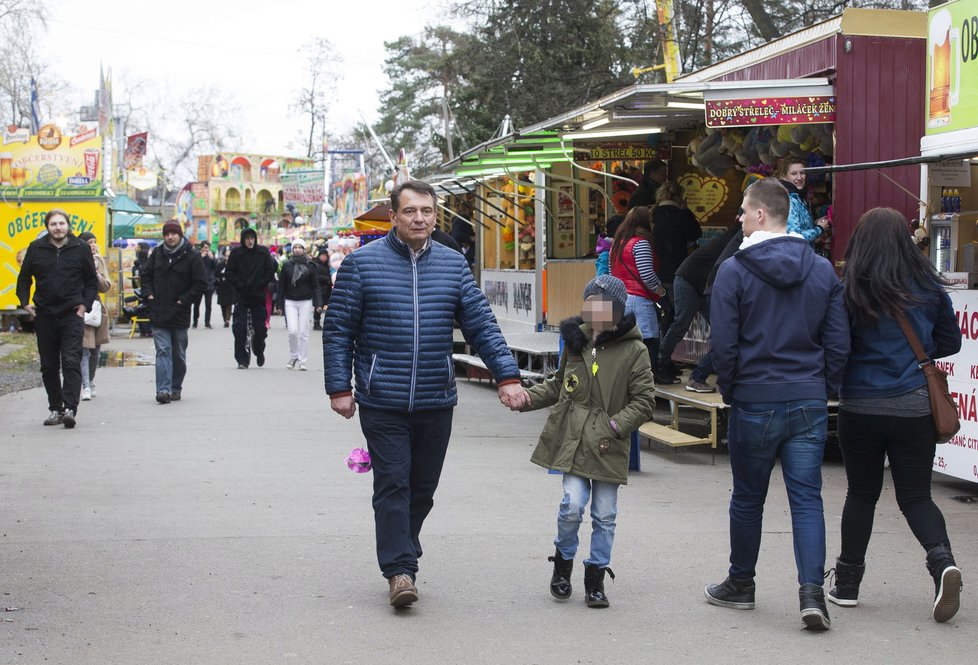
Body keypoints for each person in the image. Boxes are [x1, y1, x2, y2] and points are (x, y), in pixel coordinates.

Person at [323, 180, 526, 609]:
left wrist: (507, 377)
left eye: (427, 211)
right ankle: (400, 570)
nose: (420, 218)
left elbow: (481, 326)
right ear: (393, 216)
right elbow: (339, 331)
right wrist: (340, 387)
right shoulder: (362, 265)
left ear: (436, 216)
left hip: (436, 398)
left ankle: (403, 549)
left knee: (422, 489)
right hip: (382, 399)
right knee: (392, 483)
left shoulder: (453, 266)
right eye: (411, 211)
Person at [704, 177, 850, 631]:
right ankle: (811, 595)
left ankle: (741, 584)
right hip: (807, 397)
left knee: (748, 499)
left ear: (762, 214)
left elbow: (724, 343)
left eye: (745, 211)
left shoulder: (733, 270)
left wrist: (731, 389)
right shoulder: (822, 269)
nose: (740, 218)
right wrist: (824, 385)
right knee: (807, 500)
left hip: (754, 397)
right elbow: (839, 339)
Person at [829, 207, 963, 622]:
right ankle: (943, 565)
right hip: (913, 407)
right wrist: (913, 357)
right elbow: (951, 341)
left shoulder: (848, 289)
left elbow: (837, 346)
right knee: (916, 496)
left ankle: (847, 585)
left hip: (860, 407)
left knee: (861, 494)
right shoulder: (927, 286)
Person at [517, 275, 655, 608]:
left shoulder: (635, 350)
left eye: (604, 306)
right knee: (572, 505)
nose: (596, 312)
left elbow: (645, 400)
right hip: (575, 442)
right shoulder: (576, 344)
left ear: (618, 311)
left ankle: (595, 579)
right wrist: (525, 399)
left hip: (608, 444)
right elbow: (557, 385)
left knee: (605, 515)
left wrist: (615, 426)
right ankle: (562, 567)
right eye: (591, 304)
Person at [16, 209, 98, 428]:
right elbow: (23, 279)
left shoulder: (80, 248)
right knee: (48, 366)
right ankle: (55, 408)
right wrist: (25, 303)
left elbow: (92, 281)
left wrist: (84, 305)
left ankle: (70, 408)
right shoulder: (36, 248)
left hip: (72, 314)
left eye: (61, 223)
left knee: (71, 360)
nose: (58, 227)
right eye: (53, 224)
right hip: (44, 314)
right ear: (47, 227)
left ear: (68, 225)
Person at [140, 220, 206, 404]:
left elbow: (200, 283)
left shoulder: (192, 256)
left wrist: (183, 300)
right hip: (159, 310)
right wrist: (149, 295)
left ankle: (175, 387)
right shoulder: (157, 254)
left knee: (178, 353)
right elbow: (146, 275)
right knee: (163, 350)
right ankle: (163, 390)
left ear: (180, 234)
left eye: (173, 234)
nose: (169, 237)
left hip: (179, 311)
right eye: (166, 234)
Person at [609, 206, 672, 385]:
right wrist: (661, 291)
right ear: (644, 222)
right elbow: (647, 275)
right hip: (639, 300)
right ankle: (647, 378)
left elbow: (611, 272)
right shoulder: (640, 243)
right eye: (651, 220)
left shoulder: (617, 243)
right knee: (649, 340)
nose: (653, 223)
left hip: (621, 300)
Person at [684, 222, 743, 393]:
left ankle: (705, 376)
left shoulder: (738, 237)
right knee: (727, 338)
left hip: (716, 288)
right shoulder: (744, 237)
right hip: (718, 289)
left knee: (728, 337)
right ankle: (698, 376)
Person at [651, 181, 702, 364]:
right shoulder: (682, 215)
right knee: (677, 318)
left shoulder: (652, 215)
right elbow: (697, 233)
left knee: (664, 316)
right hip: (678, 270)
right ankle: (665, 357)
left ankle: (662, 356)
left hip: (656, 272)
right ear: (678, 196)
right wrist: (686, 210)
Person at [226, 227, 276, 368]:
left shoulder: (263, 253)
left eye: (252, 238)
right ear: (243, 240)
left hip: (258, 295)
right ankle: (242, 359)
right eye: (247, 238)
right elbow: (229, 272)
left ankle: (259, 350)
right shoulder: (236, 253)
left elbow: (270, 271)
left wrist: (260, 283)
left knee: (260, 330)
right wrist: (239, 284)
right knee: (239, 328)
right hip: (242, 295)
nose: (250, 241)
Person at [77, 232, 112, 401]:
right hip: (82, 308)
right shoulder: (76, 261)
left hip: (97, 310)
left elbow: (105, 287)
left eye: (94, 241)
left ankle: (90, 380)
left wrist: (97, 274)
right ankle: (85, 386)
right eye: (89, 242)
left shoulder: (99, 261)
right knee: (84, 350)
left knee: (96, 350)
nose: (92, 245)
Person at [277, 239, 322, 371]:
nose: (297, 249)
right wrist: (279, 305)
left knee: (303, 332)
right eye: (295, 247)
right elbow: (281, 286)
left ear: (304, 249)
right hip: (290, 301)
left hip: (306, 301)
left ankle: (302, 360)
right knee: (292, 331)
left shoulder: (310, 266)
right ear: (292, 250)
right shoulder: (286, 265)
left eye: (300, 247)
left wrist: (318, 303)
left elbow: (316, 286)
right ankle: (293, 356)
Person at [775, 158, 829, 244]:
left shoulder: (798, 196)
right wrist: (819, 228)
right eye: (794, 173)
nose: (799, 177)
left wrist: (814, 224)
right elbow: (795, 238)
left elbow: (798, 226)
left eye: (802, 173)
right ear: (784, 176)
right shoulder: (787, 200)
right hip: (795, 256)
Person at [192, 242, 217, 329]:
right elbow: (194, 267)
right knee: (196, 304)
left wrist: (212, 259)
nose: (206, 249)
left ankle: (207, 322)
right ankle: (195, 321)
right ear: (201, 248)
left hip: (209, 283)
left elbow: (216, 267)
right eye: (205, 248)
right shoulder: (197, 255)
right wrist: (201, 258)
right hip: (199, 283)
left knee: (208, 305)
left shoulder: (211, 255)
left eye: (208, 248)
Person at [312, 246, 333, 331]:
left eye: (325, 255)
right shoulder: (316, 265)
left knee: (323, 305)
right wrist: (327, 278)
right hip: (318, 289)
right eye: (322, 255)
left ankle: (318, 322)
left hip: (326, 289)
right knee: (318, 306)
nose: (324, 257)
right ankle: (316, 323)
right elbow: (316, 277)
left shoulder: (327, 265)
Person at [215, 246, 234, 328]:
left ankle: (227, 319)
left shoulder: (233, 265)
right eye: (226, 255)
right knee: (223, 304)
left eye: (229, 256)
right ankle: (224, 318)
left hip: (230, 286)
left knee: (229, 304)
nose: (228, 257)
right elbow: (216, 274)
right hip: (222, 286)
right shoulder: (220, 264)